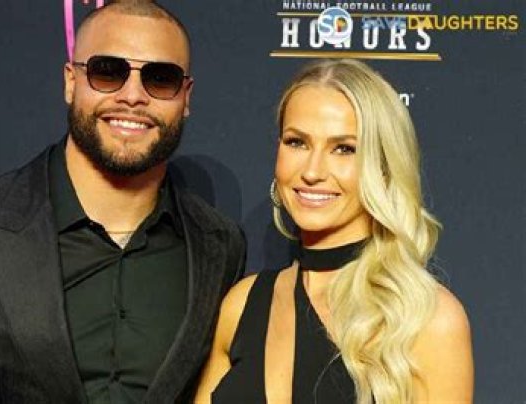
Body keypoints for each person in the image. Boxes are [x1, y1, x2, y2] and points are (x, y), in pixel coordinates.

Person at [0, 1, 246, 403]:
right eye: (107, 72)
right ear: (70, 81)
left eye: (161, 79)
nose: (133, 96)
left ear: (185, 97)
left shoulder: (219, 247)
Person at [195, 59, 473, 404]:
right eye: (297, 142)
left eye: (344, 149)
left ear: (383, 166)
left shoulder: (428, 320)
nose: (312, 171)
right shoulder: (242, 305)